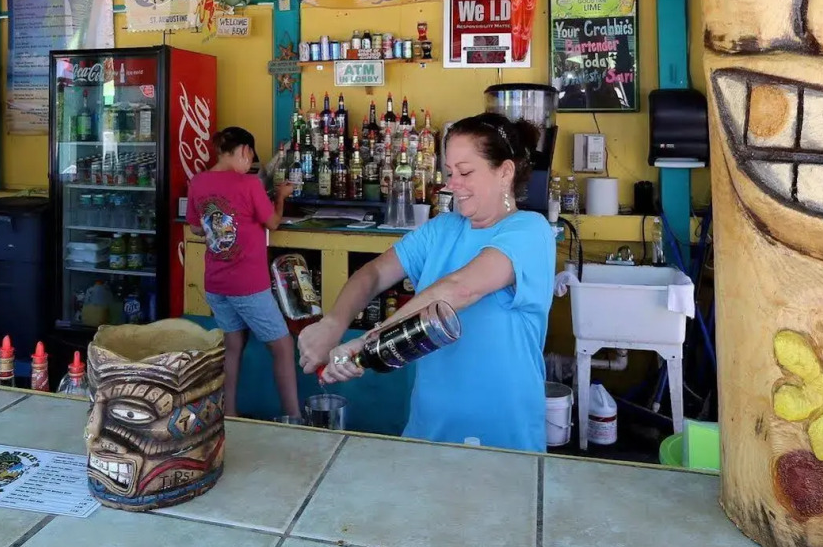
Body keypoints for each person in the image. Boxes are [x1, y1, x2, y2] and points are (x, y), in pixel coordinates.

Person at [298, 112, 556, 451]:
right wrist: (334, 322)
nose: (452, 184)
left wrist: (368, 344)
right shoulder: (442, 229)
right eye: (450, 173)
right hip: (428, 429)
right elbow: (373, 274)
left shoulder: (530, 230)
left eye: (465, 172)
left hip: (502, 434)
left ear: (505, 172)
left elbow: (461, 289)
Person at [186, 126, 299, 420]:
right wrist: (282, 195)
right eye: (250, 158)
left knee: (232, 345)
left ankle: (230, 415)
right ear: (246, 152)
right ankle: (295, 417)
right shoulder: (248, 184)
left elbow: (196, 227)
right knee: (284, 346)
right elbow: (273, 222)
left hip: (216, 284)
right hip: (247, 285)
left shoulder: (197, 182)